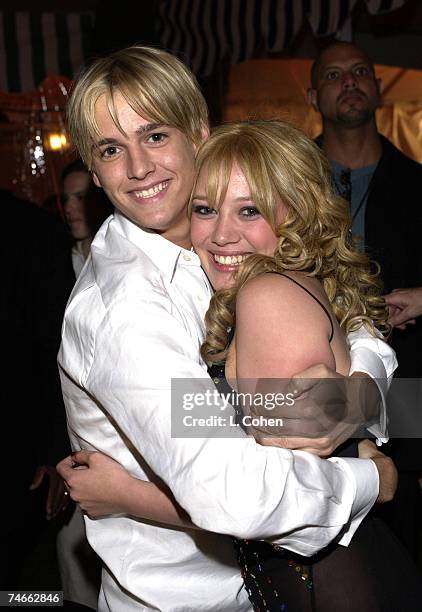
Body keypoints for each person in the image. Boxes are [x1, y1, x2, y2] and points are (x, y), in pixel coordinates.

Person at [57, 46, 397, 611]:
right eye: (112, 150)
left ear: (199, 132)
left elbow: (363, 335)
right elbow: (236, 490)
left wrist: (348, 404)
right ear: (94, 172)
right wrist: (366, 480)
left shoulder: (224, 249)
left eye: (156, 136)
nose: (138, 167)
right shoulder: (126, 312)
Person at [307, 40, 422, 561]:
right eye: (333, 75)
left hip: (408, 389)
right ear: (313, 94)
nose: (349, 81)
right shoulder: (287, 185)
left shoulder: (418, 184)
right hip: (305, 385)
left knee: (401, 537)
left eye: (359, 71)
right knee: (320, 540)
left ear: (376, 87)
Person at [1, 190, 75, 590]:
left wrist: (54, 452)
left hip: (14, 452)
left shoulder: (30, 229)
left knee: (20, 589)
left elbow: (57, 349)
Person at [62, 158, 113, 277]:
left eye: (81, 197)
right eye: (65, 199)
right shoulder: (58, 259)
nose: (68, 208)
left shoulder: (125, 253)